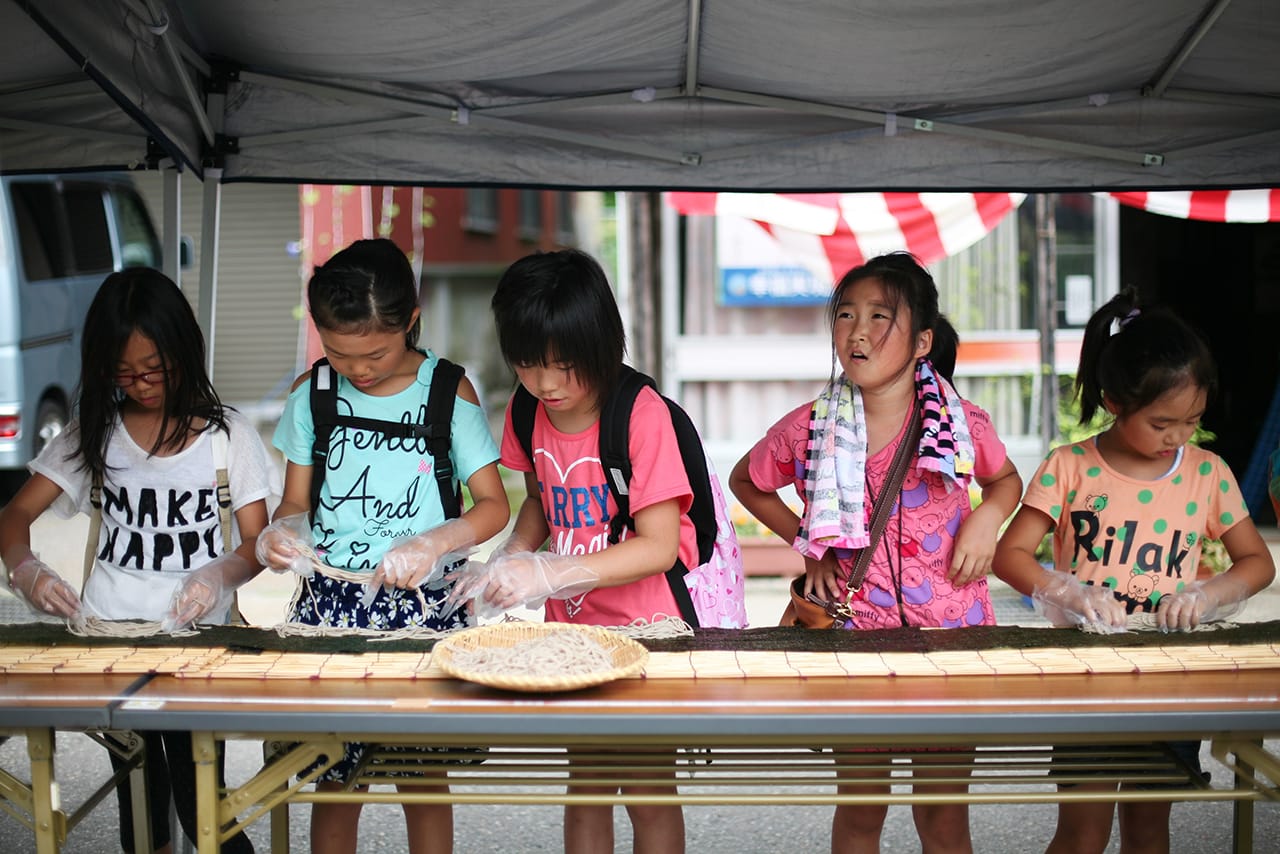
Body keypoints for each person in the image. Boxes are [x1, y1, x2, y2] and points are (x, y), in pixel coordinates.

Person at [728, 252, 1023, 854]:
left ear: (922, 342)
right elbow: (746, 481)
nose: (856, 331)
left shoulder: (962, 424)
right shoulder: (809, 426)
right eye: (845, 315)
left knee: (942, 817)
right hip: (854, 643)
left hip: (952, 643)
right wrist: (812, 545)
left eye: (879, 316)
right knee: (861, 811)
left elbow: (1007, 482)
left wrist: (987, 519)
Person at [0, 267, 275, 854]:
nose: (142, 385)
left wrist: (217, 573)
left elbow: (257, 545)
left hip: (200, 647)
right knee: (142, 805)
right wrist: (29, 572)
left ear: (184, 350)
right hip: (113, 643)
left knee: (203, 801)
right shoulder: (94, 433)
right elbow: (12, 518)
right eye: (123, 374)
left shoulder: (228, 438)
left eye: (154, 369)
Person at [992, 287, 1275, 854]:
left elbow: (1257, 563)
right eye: (1162, 422)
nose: (1177, 436)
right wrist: (1062, 589)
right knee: (1082, 833)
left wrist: (1211, 594)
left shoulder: (1207, 472)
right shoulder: (1070, 467)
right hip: (1089, 678)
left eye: (1191, 421)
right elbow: (1009, 555)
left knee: (1150, 829)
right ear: (1115, 401)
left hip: (1172, 676)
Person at [255, 238, 509, 854]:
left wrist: (435, 541)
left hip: (422, 609)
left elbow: (494, 505)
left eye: (375, 353)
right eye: (341, 355)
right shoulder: (312, 393)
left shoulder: (449, 392)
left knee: (421, 776)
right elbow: (295, 504)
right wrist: (279, 536)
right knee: (332, 776)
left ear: (412, 321)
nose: (360, 370)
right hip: (329, 609)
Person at [460, 248, 689, 854]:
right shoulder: (527, 409)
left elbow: (660, 547)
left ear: (603, 344)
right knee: (585, 782)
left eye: (564, 365)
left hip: (647, 630)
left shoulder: (641, 413)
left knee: (647, 785)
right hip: (571, 633)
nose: (548, 383)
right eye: (529, 365)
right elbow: (539, 500)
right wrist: (511, 556)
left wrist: (551, 568)